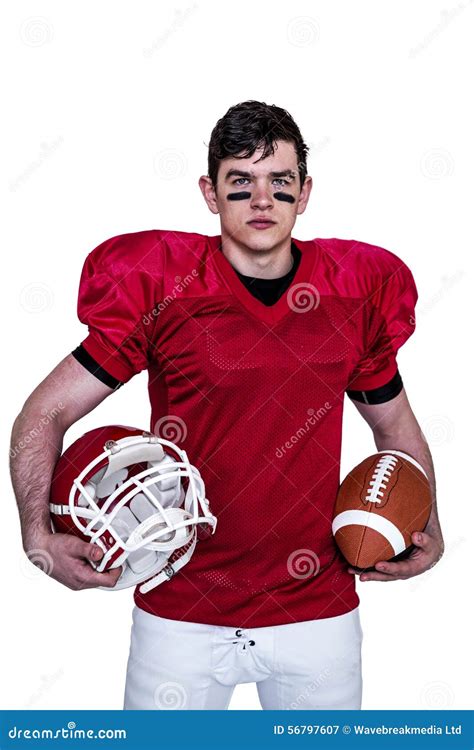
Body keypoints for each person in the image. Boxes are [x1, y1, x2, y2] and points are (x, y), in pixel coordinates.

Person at [10, 100, 444, 711]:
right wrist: (36, 532)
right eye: (241, 183)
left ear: (306, 192)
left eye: (280, 183)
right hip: (180, 608)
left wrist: (429, 521)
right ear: (210, 193)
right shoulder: (165, 288)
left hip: (315, 612)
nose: (262, 200)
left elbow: (396, 430)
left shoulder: (353, 291)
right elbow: (43, 414)